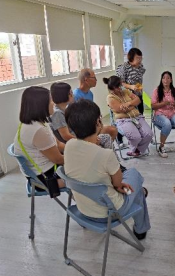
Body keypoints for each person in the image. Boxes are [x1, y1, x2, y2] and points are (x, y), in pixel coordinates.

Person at [64, 99, 150, 240]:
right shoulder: (105, 154)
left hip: (82, 210)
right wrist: (120, 186)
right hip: (108, 213)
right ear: (98, 122)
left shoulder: (69, 146)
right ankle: (140, 230)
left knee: (132, 187)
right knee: (134, 176)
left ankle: (137, 198)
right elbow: (118, 184)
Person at [13, 86, 65, 191]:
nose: (54, 103)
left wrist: (77, 148)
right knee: (86, 173)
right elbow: (58, 159)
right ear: (41, 105)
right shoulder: (37, 130)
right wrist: (79, 157)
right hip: (45, 179)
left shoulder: (38, 123)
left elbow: (58, 144)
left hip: (45, 171)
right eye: (50, 100)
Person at [50, 82, 112, 149]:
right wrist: (86, 142)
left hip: (80, 139)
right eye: (71, 93)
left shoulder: (64, 109)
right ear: (65, 95)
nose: (73, 95)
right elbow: (66, 136)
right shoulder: (58, 114)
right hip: (77, 143)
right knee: (106, 138)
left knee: (105, 136)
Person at [106, 75, 153, 157]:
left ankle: (137, 149)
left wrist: (129, 103)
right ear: (113, 88)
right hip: (123, 120)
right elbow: (122, 109)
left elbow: (138, 100)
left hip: (137, 117)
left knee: (149, 134)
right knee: (136, 137)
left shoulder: (126, 91)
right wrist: (133, 104)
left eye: (120, 85)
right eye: (118, 87)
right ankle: (133, 148)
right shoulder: (110, 98)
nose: (121, 88)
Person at [73, 68, 118, 142]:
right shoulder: (76, 95)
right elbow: (79, 119)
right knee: (110, 132)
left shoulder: (90, 93)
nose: (96, 80)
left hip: (93, 126)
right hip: (85, 131)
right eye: (94, 78)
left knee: (113, 130)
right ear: (86, 80)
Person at [151, 71, 175, 158]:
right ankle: (161, 147)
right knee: (167, 123)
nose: (165, 80)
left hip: (173, 113)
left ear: (171, 80)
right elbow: (153, 106)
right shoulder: (156, 91)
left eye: (168, 78)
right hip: (159, 115)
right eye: (164, 78)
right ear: (161, 79)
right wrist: (164, 103)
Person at [116, 48, 146, 114]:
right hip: (127, 95)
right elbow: (120, 83)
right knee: (131, 114)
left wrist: (138, 87)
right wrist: (131, 86)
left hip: (138, 94)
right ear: (131, 58)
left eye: (141, 58)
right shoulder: (124, 68)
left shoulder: (140, 67)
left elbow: (139, 80)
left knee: (140, 113)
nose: (140, 60)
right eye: (138, 58)